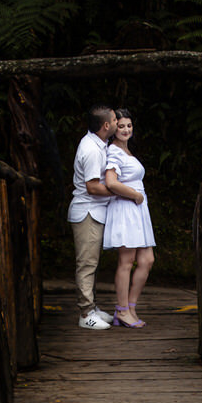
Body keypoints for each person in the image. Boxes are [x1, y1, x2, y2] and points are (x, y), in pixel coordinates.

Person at [101, 108, 155, 328]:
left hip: (138, 210)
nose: (125, 130)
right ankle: (122, 310)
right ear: (114, 129)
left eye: (129, 126)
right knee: (127, 261)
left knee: (147, 260)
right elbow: (111, 182)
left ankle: (130, 306)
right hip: (125, 207)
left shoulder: (127, 151)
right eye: (121, 126)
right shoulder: (113, 152)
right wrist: (134, 195)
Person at [68, 104, 117, 330]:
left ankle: (92, 306)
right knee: (87, 263)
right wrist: (119, 192)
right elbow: (92, 187)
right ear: (106, 125)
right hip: (87, 211)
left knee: (92, 262)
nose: (118, 123)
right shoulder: (92, 149)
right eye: (116, 120)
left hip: (94, 211)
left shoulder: (99, 144)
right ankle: (85, 312)